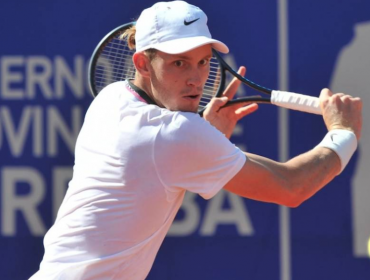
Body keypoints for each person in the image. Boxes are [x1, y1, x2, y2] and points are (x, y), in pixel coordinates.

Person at [30, 1, 362, 279]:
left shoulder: (112, 99)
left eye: (203, 62)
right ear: (143, 63)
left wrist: (209, 139)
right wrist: (343, 133)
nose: (196, 79)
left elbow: (157, 162)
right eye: (179, 63)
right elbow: (291, 186)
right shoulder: (174, 135)